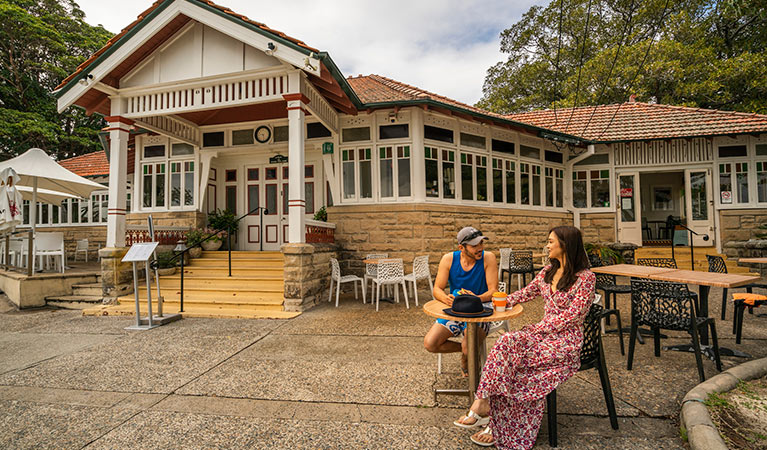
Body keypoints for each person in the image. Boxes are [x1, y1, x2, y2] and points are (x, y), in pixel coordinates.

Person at [454, 225, 595, 449]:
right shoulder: (548, 272)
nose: (547, 245)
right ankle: (482, 402)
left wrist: (539, 329)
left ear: (565, 245)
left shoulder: (585, 278)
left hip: (564, 342)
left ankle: (497, 424)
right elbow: (525, 293)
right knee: (505, 342)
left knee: (516, 366)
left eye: (551, 241)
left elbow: (574, 316)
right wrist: (494, 302)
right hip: (540, 335)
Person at [423, 226, 498, 375]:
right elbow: (437, 289)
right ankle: (465, 351)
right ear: (461, 247)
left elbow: (493, 291)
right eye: (474, 245)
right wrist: (445, 298)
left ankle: (467, 356)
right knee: (430, 343)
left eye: (481, 244)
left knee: (468, 347)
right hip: (456, 308)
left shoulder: (488, 257)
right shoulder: (449, 259)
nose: (480, 248)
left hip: (481, 308)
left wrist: (475, 299)